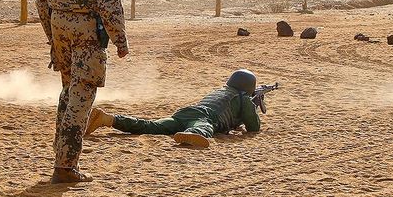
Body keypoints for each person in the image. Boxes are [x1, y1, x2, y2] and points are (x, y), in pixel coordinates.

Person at [34, 0, 129, 184]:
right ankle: (65, 166)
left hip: (60, 26)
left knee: (67, 94)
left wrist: (52, 37)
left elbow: (41, 0)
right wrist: (119, 38)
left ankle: (61, 157)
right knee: (81, 97)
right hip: (87, 28)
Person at [85, 69, 261, 148]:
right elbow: (253, 126)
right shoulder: (242, 97)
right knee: (205, 127)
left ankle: (108, 119)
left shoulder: (221, 91)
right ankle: (194, 134)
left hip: (185, 113)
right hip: (204, 118)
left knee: (151, 127)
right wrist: (254, 105)